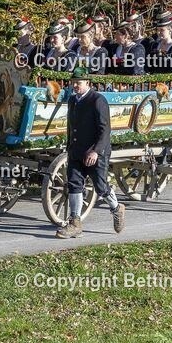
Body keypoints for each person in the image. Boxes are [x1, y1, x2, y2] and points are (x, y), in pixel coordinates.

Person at [56, 66, 125, 239]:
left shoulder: (98, 100)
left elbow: (105, 130)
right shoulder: (72, 100)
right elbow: (71, 126)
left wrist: (96, 151)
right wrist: (69, 146)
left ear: (87, 82)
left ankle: (117, 209)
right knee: (74, 184)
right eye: (73, 83)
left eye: (78, 83)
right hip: (76, 151)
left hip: (95, 152)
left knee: (101, 187)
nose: (75, 86)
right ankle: (75, 223)